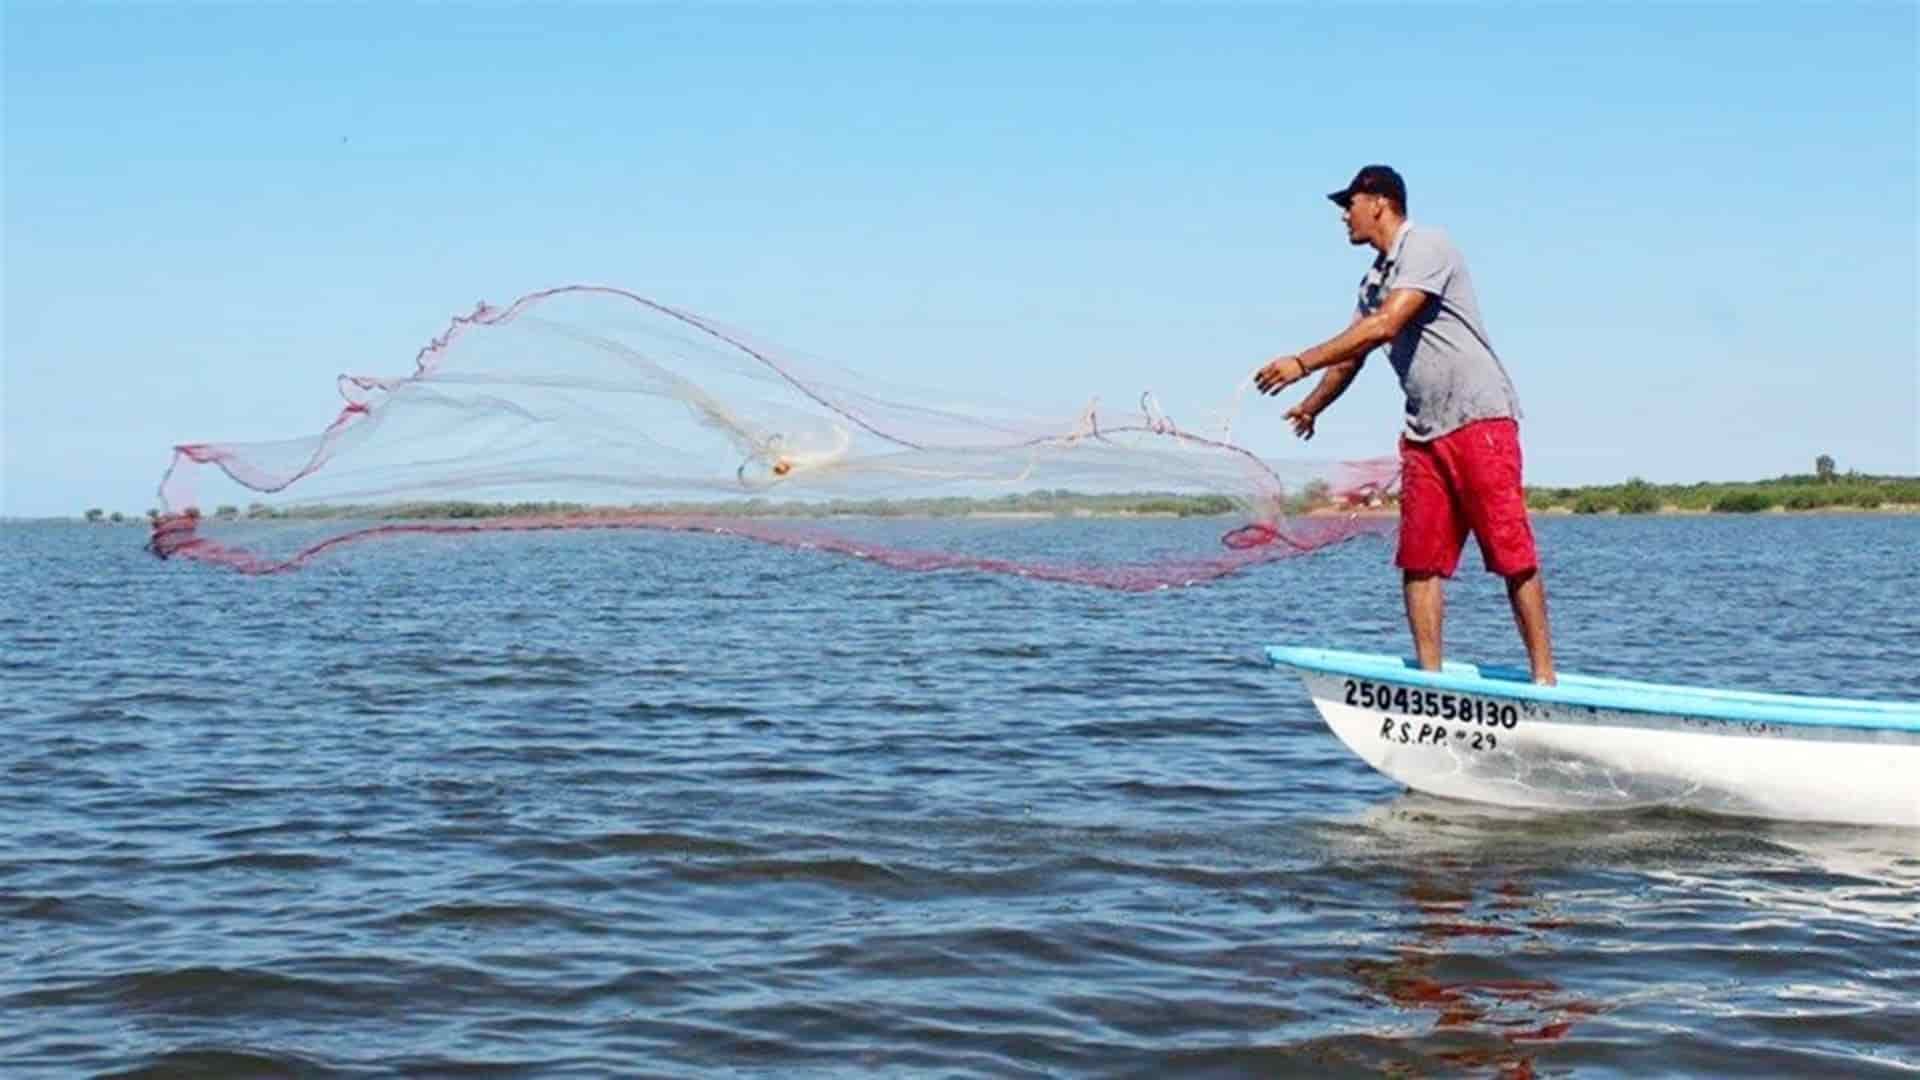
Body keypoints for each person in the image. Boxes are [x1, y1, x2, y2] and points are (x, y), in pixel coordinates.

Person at [1253, 165, 1556, 685]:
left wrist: (1301, 361)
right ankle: (1430, 681)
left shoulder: (1427, 245)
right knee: (1419, 558)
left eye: (1349, 204)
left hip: (1479, 419)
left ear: (1379, 202)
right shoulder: (1373, 280)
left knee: (1511, 552)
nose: (1344, 216)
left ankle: (1544, 679)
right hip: (1423, 433)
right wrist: (1313, 405)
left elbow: (1388, 323)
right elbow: (1354, 354)